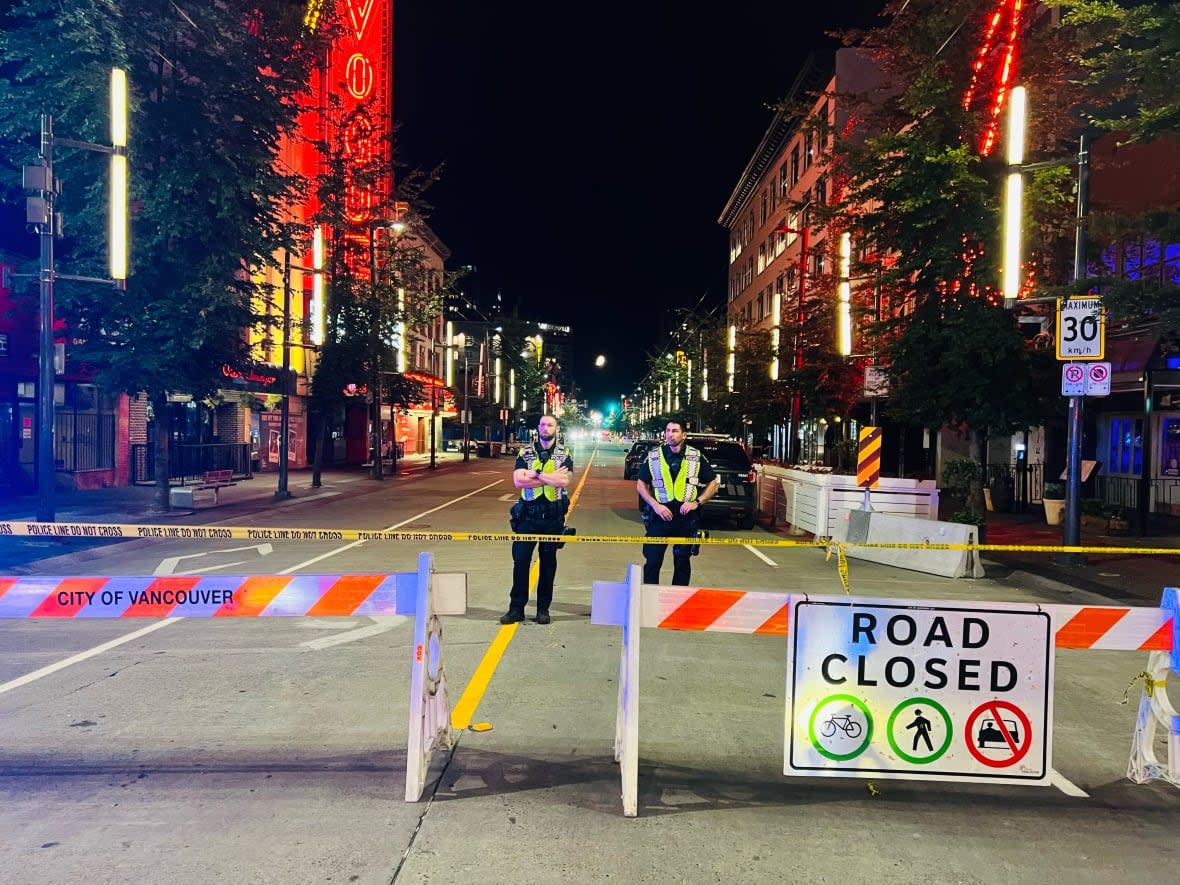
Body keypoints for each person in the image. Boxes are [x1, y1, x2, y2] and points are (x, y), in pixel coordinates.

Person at [500, 414, 574, 625]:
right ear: (538, 428)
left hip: (552, 518)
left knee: (548, 564)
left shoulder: (564, 453)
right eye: (542, 424)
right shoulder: (525, 451)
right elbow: (517, 481)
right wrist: (548, 478)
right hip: (527, 517)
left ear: (556, 429)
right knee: (521, 562)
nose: (545, 427)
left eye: (550, 424)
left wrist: (535, 474)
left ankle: (543, 609)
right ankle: (516, 609)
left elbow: (563, 481)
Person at [636, 418, 719, 586]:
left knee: (682, 562)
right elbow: (641, 484)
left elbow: (713, 483)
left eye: (675, 431)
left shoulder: (695, 457)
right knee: (652, 560)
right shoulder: (654, 457)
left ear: (684, 434)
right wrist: (655, 505)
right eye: (668, 431)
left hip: (686, 517)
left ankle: (678, 599)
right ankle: (650, 599)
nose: (670, 435)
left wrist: (697, 502)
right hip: (660, 516)